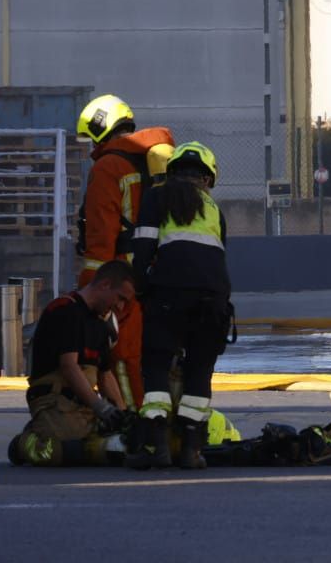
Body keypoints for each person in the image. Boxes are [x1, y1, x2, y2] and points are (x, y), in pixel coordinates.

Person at [128, 142, 232, 471]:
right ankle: (191, 450)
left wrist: (140, 289)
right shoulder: (214, 209)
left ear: (171, 172)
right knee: (200, 372)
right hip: (214, 299)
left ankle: (155, 446)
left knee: (157, 364)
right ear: (207, 177)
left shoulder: (156, 198)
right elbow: (218, 259)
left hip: (169, 295)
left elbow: (142, 249)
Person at [76, 93, 174, 408]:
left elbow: (101, 238)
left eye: (92, 140)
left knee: (122, 358)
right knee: (160, 359)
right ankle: (165, 422)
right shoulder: (157, 161)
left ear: (101, 130)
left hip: (123, 281)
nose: (91, 149)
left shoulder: (109, 167)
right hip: (163, 273)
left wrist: (89, 291)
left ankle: (135, 426)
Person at [8, 260, 136, 467]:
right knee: (66, 452)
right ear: (105, 285)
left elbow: (105, 374)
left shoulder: (101, 324)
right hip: (54, 399)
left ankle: (55, 429)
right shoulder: (66, 311)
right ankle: (25, 444)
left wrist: (121, 414)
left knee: (114, 444)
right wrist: (101, 408)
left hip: (82, 406)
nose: (120, 307)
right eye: (120, 298)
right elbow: (69, 367)